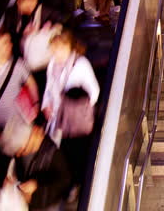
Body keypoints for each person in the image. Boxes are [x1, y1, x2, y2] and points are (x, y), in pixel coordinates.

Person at [42, 29, 100, 202]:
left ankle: (78, 184)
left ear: (68, 46)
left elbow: (94, 90)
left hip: (77, 120)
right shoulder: (52, 64)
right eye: (54, 50)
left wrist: (80, 107)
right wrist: (46, 105)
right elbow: (49, 88)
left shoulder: (81, 63)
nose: (56, 54)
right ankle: (70, 184)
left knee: (77, 152)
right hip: (59, 119)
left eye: (59, 49)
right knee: (64, 153)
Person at [0, 117, 71, 210]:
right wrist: (10, 178)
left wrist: (35, 191)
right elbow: (16, 169)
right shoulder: (21, 148)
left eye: (20, 151)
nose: (18, 155)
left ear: (26, 144)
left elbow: (63, 185)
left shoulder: (54, 156)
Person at [0, 30, 39, 190]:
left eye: (9, 42)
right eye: (4, 43)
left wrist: (35, 105)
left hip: (20, 125)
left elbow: (31, 84)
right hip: (0, 129)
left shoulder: (17, 64)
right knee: (4, 163)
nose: (9, 46)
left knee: (24, 160)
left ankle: (22, 189)